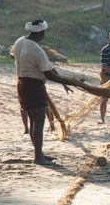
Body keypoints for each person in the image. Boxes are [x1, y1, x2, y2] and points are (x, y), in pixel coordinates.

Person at [12, 20, 73, 164]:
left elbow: (13, 56)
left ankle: (39, 153)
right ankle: (38, 157)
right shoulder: (37, 50)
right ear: (41, 33)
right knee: (39, 122)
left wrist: (64, 82)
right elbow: (49, 74)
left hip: (21, 83)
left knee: (33, 121)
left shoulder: (20, 41)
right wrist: (68, 81)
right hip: (34, 86)